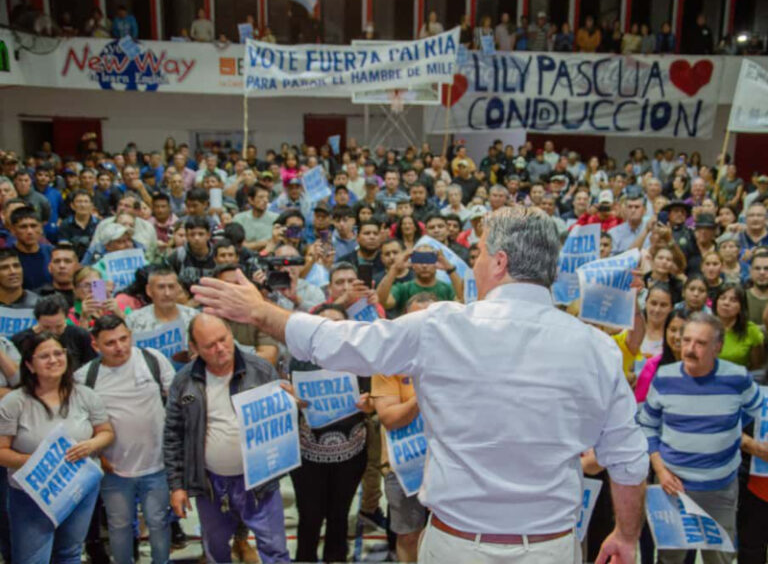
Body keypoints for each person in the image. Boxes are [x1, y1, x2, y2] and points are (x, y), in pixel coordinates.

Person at [193, 207, 649, 564]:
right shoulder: (596, 348)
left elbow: (342, 343)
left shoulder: (441, 327)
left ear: (501, 262)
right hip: (549, 547)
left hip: (458, 545)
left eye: (479, 252)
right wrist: (627, 536)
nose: (475, 261)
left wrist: (263, 313)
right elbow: (628, 460)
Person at [163, 314, 291, 563]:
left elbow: (284, 423)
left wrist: (293, 405)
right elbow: (173, 435)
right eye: (210, 345)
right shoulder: (184, 380)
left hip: (260, 481)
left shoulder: (261, 369)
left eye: (223, 339)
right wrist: (177, 486)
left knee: (275, 548)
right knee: (215, 548)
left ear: (232, 335)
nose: (220, 348)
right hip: (211, 483)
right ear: (194, 348)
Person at [637, 312, 762, 564]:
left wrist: (727, 431)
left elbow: (756, 410)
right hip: (673, 489)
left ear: (718, 347)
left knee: (719, 559)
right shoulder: (664, 378)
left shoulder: (737, 377)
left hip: (721, 489)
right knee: (671, 558)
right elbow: (647, 426)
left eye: (700, 343)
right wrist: (660, 470)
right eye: (686, 340)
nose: (690, 349)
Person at [0, 331, 115, 564]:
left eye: (58, 353)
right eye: (44, 356)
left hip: (78, 488)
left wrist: (92, 444)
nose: (53, 360)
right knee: (32, 558)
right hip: (31, 493)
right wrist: (38, 460)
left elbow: (107, 432)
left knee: (69, 553)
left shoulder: (86, 395)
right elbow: (1, 451)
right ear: (30, 365)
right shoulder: (14, 402)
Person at [75, 315, 173, 564]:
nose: (119, 347)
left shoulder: (153, 359)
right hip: (114, 468)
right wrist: (98, 457)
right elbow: (80, 426)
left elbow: (176, 405)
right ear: (95, 345)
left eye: (123, 339)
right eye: (110, 343)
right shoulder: (86, 376)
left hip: (157, 464)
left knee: (159, 522)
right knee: (119, 527)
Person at [289, 303, 368, 562]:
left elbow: (376, 401)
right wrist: (290, 402)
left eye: (337, 325)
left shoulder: (363, 360)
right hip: (308, 457)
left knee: (340, 514)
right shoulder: (298, 360)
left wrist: (371, 405)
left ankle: (336, 557)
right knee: (309, 517)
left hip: (350, 454)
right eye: (324, 325)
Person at [371, 292, 434, 562]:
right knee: (408, 535)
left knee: (447, 532)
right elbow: (389, 417)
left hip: (449, 463)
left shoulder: (462, 358)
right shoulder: (389, 361)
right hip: (405, 466)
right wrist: (424, 394)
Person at [11, 293, 97, 370]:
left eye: (59, 326)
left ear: (66, 318)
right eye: (46, 327)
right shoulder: (21, 340)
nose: (53, 331)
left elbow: (92, 366)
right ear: (37, 320)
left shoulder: (79, 335)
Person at [377, 245, 461, 317]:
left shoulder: (446, 288)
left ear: (436, 262)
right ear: (412, 264)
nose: (424, 265)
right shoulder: (403, 288)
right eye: (420, 260)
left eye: (428, 259)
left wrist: (450, 269)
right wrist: (395, 268)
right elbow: (382, 301)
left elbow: (463, 301)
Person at [634, 307, 686, 403]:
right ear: (665, 331)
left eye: (683, 331)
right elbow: (640, 402)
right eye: (673, 330)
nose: (678, 337)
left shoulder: (699, 367)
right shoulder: (653, 365)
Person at [125, 267, 198, 333]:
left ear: (178, 289)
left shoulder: (193, 317)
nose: (167, 293)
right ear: (149, 290)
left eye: (171, 287)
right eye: (161, 287)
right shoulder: (134, 321)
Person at [714, 283, 765, 370]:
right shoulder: (704, 326)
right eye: (722, 298)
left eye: (733, 300)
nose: (726, 303)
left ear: (741, 306)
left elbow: (756, 366)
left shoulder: (751, 330)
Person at [10, 206, 53, 290]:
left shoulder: (52, 253)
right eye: (23, 227)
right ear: (13, 230)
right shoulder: (6, 258)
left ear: (41, 228)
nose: (29, 231)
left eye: (33, 226)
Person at [233, 184, 278, 251]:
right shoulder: (239, 219)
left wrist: (251, 245)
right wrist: (265, 243)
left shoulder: (276, 218)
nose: (265, 200)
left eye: (267, 197)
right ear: (251, 200)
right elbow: (239, 246)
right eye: (261, 197)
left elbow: (276, 243)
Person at [746, 251, 768, 324]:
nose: (762, 272)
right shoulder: (741, 298)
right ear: (750, 271)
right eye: (757, 268)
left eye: (766, 268)